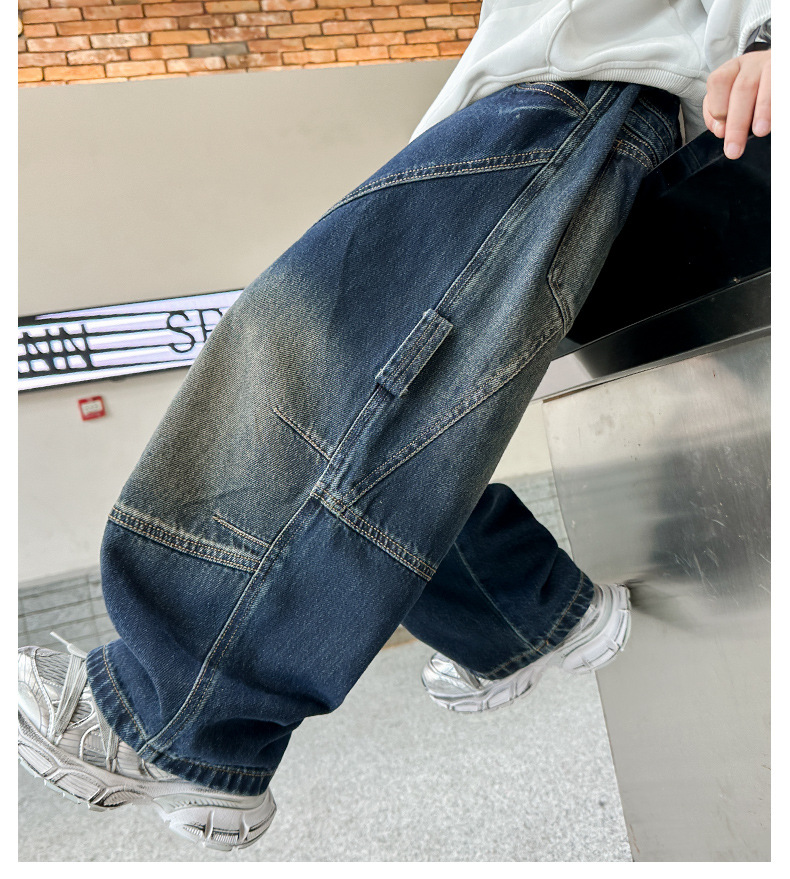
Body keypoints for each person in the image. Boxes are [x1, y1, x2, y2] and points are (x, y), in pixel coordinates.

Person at [18, 0, 771, 854]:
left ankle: (173, 715)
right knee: (408, 405)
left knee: (318, 357)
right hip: (538, 103)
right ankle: (521, 614)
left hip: (585, 93)